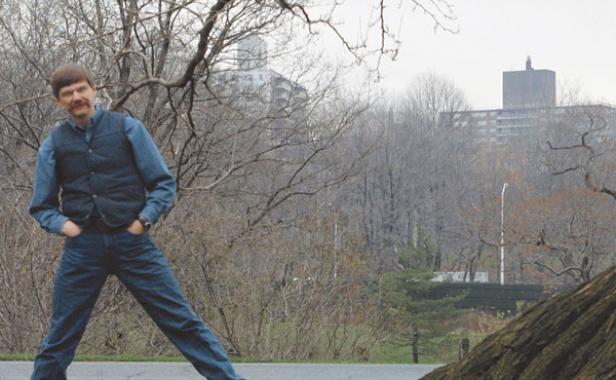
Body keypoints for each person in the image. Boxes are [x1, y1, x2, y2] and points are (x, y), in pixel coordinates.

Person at [29, 63, 245, 380]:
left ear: (93, 89)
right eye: (68, 93)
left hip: (132, 244)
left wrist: (143, 221)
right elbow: (42, 206)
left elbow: (162, 184)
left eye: (81, 89)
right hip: (83, 248)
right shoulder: (54, 144)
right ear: (59, 101)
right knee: (61, 333)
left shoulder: (128, 128)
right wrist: (65, 227)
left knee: (180, 320)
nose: (76, 97)